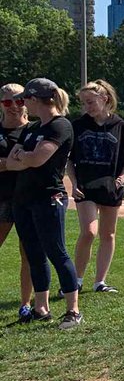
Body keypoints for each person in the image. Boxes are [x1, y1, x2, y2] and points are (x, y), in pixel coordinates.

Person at [6, 79, 83, 329]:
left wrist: (24, 157)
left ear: (35, 99)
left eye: (24, 99)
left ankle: (73, 310)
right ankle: (41, 308)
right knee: (34, 254)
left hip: (49, 198)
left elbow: (38, 159)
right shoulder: (32, 128)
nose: (22, 104)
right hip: (23, 199)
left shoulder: (60, 125)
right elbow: (11, 162)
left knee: (56, 252)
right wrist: (25, 157)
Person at [68, 80, 124, 295]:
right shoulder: (78, 126)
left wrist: (122, 177)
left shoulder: (122, 127)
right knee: (89, 232)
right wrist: (74, 182)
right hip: (85, 187)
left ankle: (100, 282)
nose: (86, 107)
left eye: (90, 102)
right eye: (83, 103)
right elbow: (69, 159)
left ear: (105, 99)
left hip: (110, 188)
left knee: (108, 235)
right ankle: (76, 281)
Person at [0, 84, 35, 321]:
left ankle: (25, 304)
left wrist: (6, 163)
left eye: (19, 101)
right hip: (1, 198)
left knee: (29, 254)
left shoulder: (35, 130)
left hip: (28, 198)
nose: (14, 106)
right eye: (7, 102)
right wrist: (14, 163)